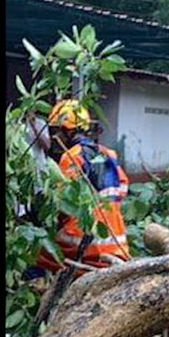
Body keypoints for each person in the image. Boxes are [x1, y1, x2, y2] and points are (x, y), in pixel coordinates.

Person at [43, 99, 130, 269]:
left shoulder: (71, 157)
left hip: (85, 242)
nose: (54, 137)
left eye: (56, 131)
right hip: (117, 240)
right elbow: (123, 189)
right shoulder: (109, 154)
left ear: (66, 131)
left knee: (41, 256)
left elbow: (64, 203)